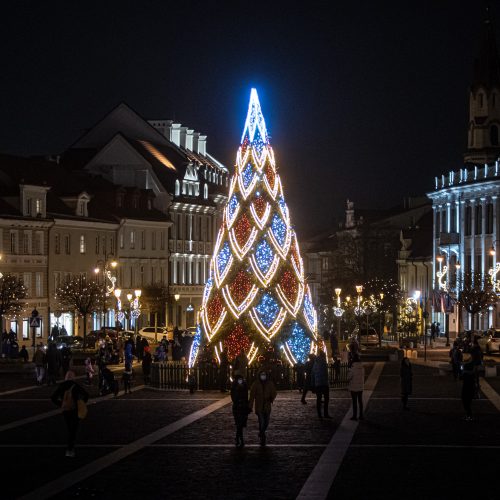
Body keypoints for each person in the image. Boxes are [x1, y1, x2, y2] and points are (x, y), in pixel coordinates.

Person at [51, 370, 89, 457]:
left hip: (66, 410)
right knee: (73, 429)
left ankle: (70, 446)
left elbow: (53, 398)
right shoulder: (75, 386)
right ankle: (70, 449)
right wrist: (81, 402)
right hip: (75, 410)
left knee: (69, 428)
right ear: (73, 377)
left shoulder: (62, 386)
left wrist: (61, 404)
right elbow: (86, 395)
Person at [249, 370, 277, 446]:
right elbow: (252, 396)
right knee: (261, 422)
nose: (263, 376)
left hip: (267, 406)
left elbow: (274, 392)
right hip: (259, 406)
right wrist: (250, 406)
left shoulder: (270, 384)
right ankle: (262, 436)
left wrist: (271, 398)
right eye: (262, 374)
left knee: (266, 422)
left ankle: (261, 432)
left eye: (264, 374)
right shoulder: (255, 384)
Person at [231, 373, 250, 448]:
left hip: (243, 407)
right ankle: (240, 439)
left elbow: (246, 396)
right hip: (237, 407)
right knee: (239, 424)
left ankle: (238, 438)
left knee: (240, 424)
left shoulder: (244, 385)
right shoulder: (234, 387)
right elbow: (233, 397)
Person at [311, 350, 331, 418]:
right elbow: (326, 373)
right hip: (324, 383)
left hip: (318, 383)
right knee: (326, 399)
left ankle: (319, 414)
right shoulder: (324, 362)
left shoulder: (315, 363)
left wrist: (313, 384)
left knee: (319, 399)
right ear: (323, 355)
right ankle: (325, 413)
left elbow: (313, 373)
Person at [347, 353, 365, 420]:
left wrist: (349, 370)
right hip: (360, 386)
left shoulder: (353, 368)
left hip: (354, 387)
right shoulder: (362, 367)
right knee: (360, 401)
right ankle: (361, 415)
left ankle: (354, 415)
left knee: (354, 402)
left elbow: (348, 377)